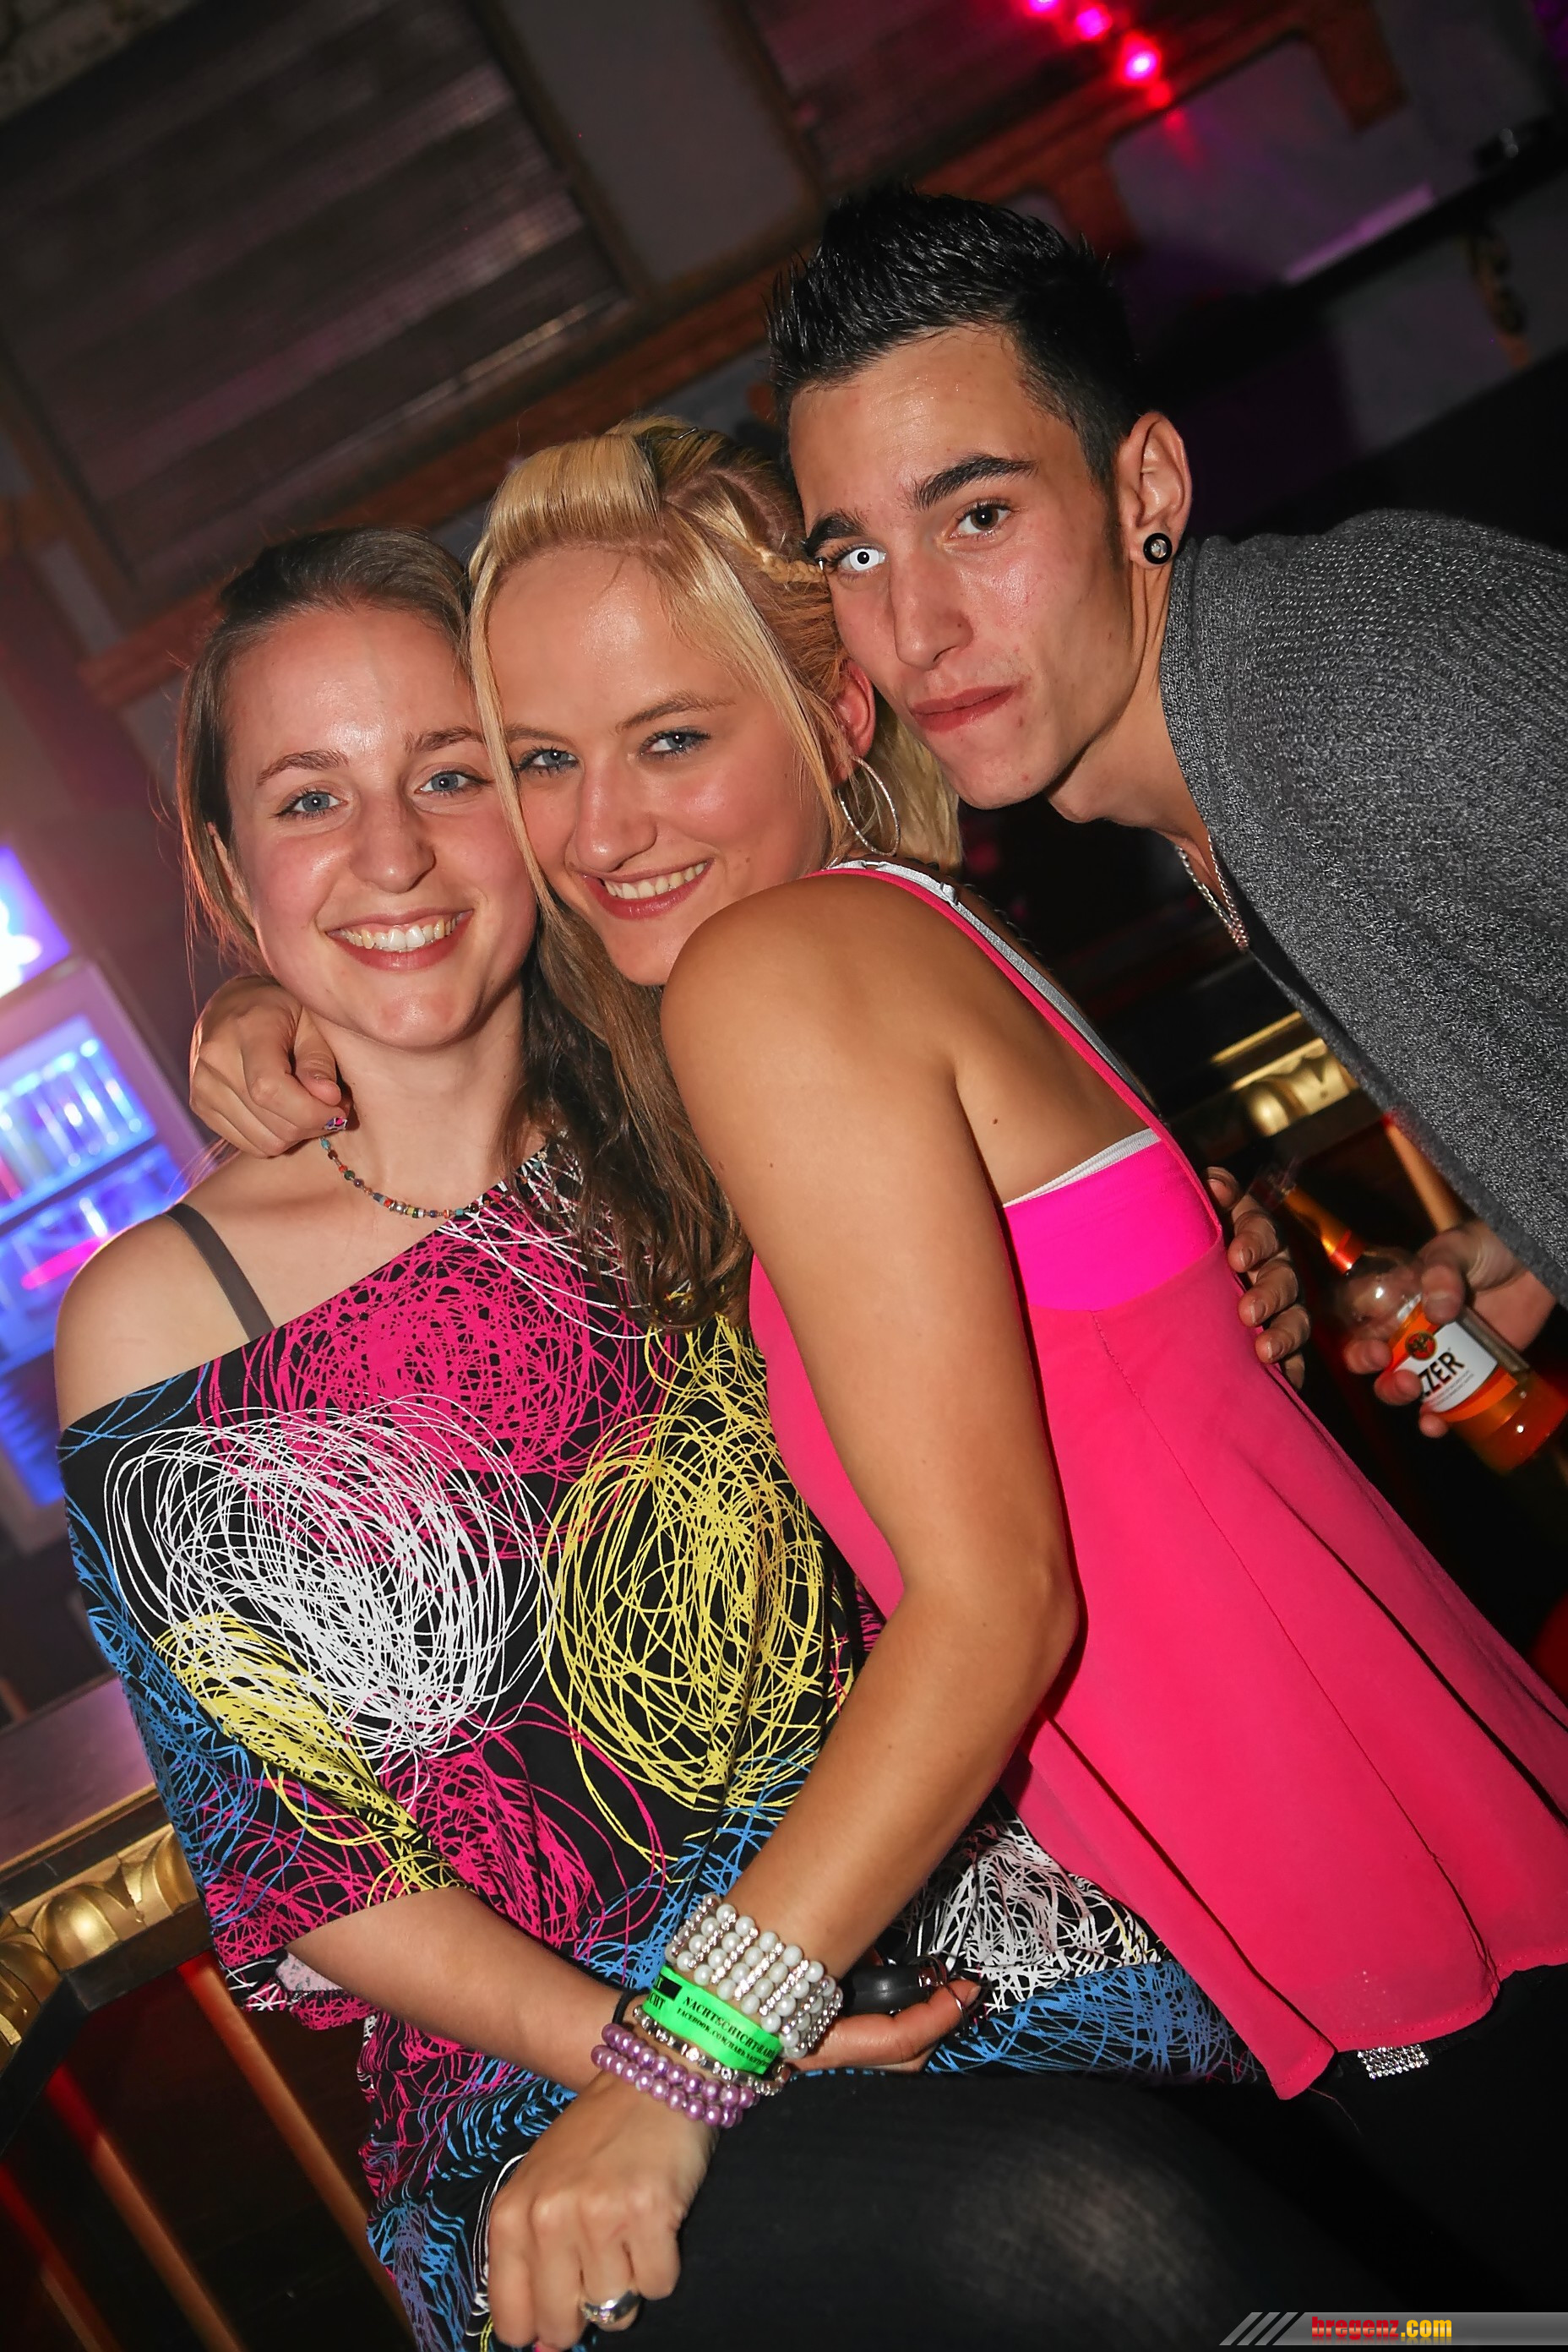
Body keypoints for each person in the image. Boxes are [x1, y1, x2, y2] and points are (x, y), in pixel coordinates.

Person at [196, 427, 1568, 2302]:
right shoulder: (894, 939)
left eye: (672, 739)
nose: (602, 830)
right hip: (1398, 1892)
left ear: (835, 712)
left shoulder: (776, 978)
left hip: (1368, 1927)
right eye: (542, 761)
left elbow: (995, 1603)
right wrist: (275, 1004)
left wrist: (684, 2059)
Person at [766, 182, 1568, 1429]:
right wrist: (1528, 1217)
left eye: (979, 516)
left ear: (1144, 488)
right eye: (857, 555)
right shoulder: (1240, 743)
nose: (915, 631)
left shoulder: (1353, 675)